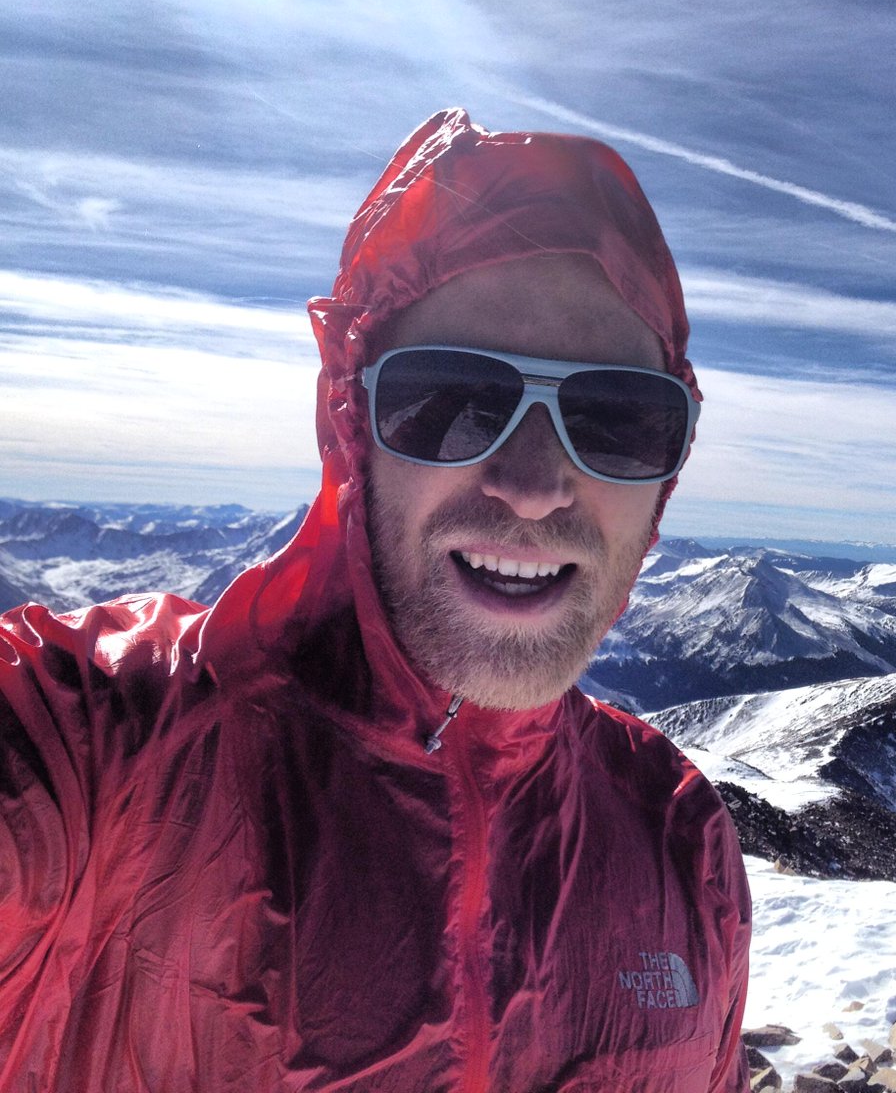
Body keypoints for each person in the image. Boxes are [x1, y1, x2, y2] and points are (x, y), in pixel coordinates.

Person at [0, 108, 751, 1092]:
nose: (532, 484)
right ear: (350, 422)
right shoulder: (109, 754)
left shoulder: (679, 843)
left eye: (614, 420)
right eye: (447, 401)